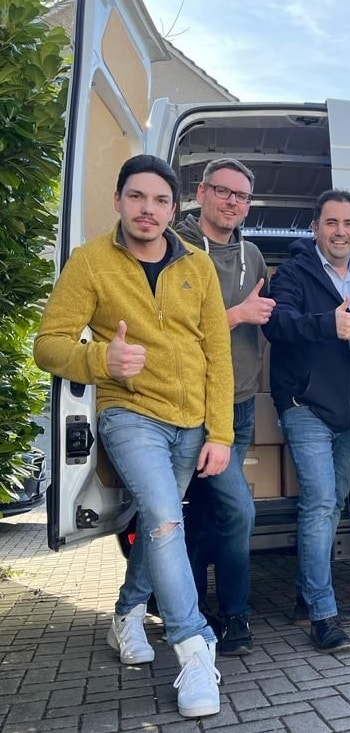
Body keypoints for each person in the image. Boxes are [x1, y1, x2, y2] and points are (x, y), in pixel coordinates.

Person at [34, 155, 233, 718]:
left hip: (190, 422)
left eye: (160, 200)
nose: (149, 209)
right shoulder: (91, 262)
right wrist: (102, 359)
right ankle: (194, 648)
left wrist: (219, 431)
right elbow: (48, 344)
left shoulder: (198, 264)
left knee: (155, 523)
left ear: (174, 208)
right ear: (118, 200)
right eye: (138, 197)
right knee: (167, 521)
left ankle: (126, 614)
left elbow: (217, 352)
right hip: (129, 414)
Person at [174, 158, 275, 656]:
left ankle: (193, 611)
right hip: (193, 406)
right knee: (238, 510)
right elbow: (170, 330)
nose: (232, 202)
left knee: (207, 513)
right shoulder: (176, 247)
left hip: (240, 403)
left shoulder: (252, 255)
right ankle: (235, 614)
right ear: (201, 192)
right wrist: (237, 315)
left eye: (242, 196)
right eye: (223, 191)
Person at [262, 190, 350, 654]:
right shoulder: (293, 272)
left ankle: (308, 598)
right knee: (321, 501)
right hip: (303, 404)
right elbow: (276, 325)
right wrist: (328, 323)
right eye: (331, 222)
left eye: (348, 223)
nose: (340, 231)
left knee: (334, 501)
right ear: (315, 228)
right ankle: (323, 614)